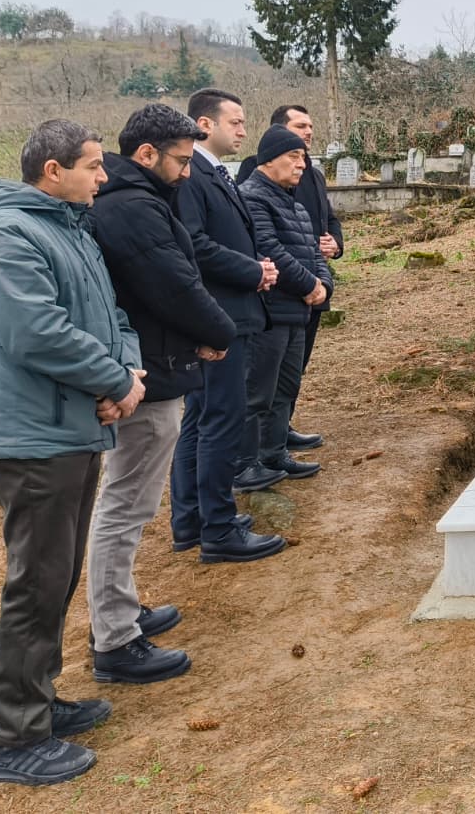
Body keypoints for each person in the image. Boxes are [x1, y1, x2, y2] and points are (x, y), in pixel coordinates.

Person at [0, 120, 146, 786]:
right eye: (94, 167)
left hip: (72, 431)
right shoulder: (4, 236)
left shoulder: (70, 231)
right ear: (51, 171)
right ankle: (11, 741)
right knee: (35, 586)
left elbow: (113, 320)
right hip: (31, 440)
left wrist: (128, 374)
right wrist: (114, 380)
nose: (104, 177)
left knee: (57, 578)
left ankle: (39, 702)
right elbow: (36, 333)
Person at [86, 104, 238, 685]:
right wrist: (217, 332)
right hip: (145, 379)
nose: (187, 171)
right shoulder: (131, 209)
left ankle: (119, 610)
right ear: (145, 154)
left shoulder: (141, 200)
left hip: (156, 366)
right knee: (124, 507)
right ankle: (116, 639)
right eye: (179, 160)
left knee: (130, 506)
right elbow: (172, 282)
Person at [172, 88, 287, 562]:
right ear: (205, 124)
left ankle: (194, 519)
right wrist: (252, 270)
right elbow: (195, 244)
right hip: (218, 313)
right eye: (235, 122)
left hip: (229, 309)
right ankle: (216, 527)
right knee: (218, 419)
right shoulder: (191, 174)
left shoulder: (212, 172)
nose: (243, 130)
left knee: (202, 419)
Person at [237, 105, 341, 451]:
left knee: (286, 388)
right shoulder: (253, 196)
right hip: (272, 310)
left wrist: (324, 284)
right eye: (295, 157)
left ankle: (275, 451)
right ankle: (250, 460)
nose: (302, 164)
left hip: (298, 311)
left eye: (304, 159)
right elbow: (268, 248)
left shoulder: (293, 203)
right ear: (269, 158)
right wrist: (310, 285)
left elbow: (314, 247)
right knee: (259, 392)